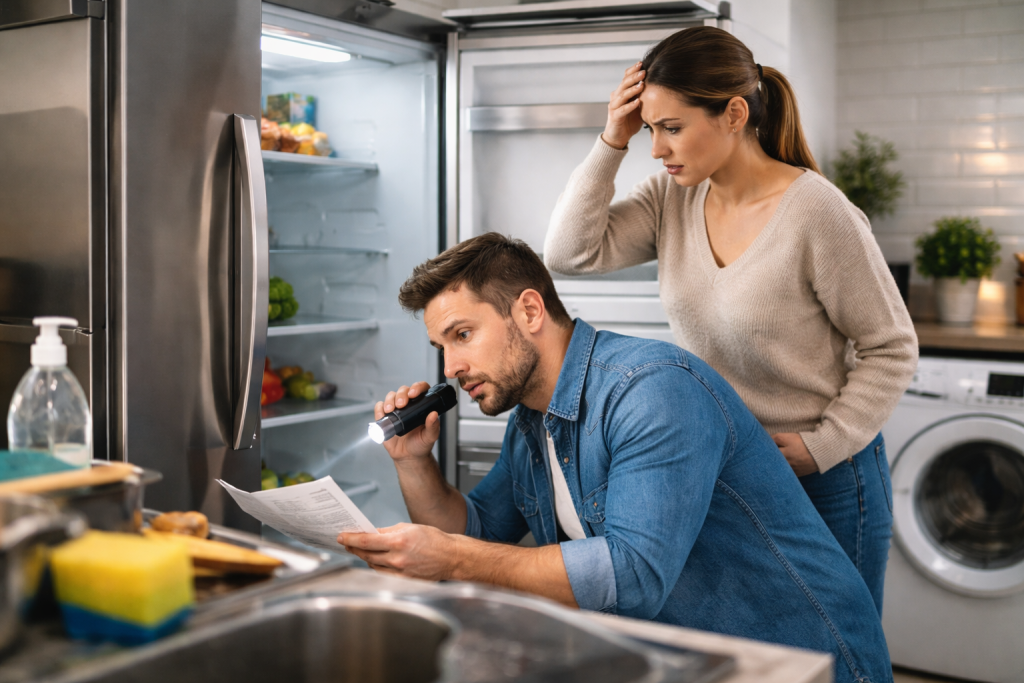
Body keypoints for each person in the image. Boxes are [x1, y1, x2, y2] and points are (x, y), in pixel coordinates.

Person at [340, 233, 893, 683]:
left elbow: (634, 574)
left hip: (801, 662)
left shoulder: (651, 388)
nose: (450, 368)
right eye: (441, 347)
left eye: (462, 334)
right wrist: (412, 461)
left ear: (529, 310)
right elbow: (477, 531)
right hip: (689, 658)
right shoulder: (531, 421)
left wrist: (455, 559)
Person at [543, 26, 917, 615]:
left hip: (826, 476)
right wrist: (611, 139)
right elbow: (569, 253)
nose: (656, 149)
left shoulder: (818, 212)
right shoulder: (671, 198)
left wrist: (823, 445)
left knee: (841, 646)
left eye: (671, 128)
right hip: (730, 472)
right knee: (757, 641)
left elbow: (891, 347)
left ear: (735, 114)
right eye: (649, 129)